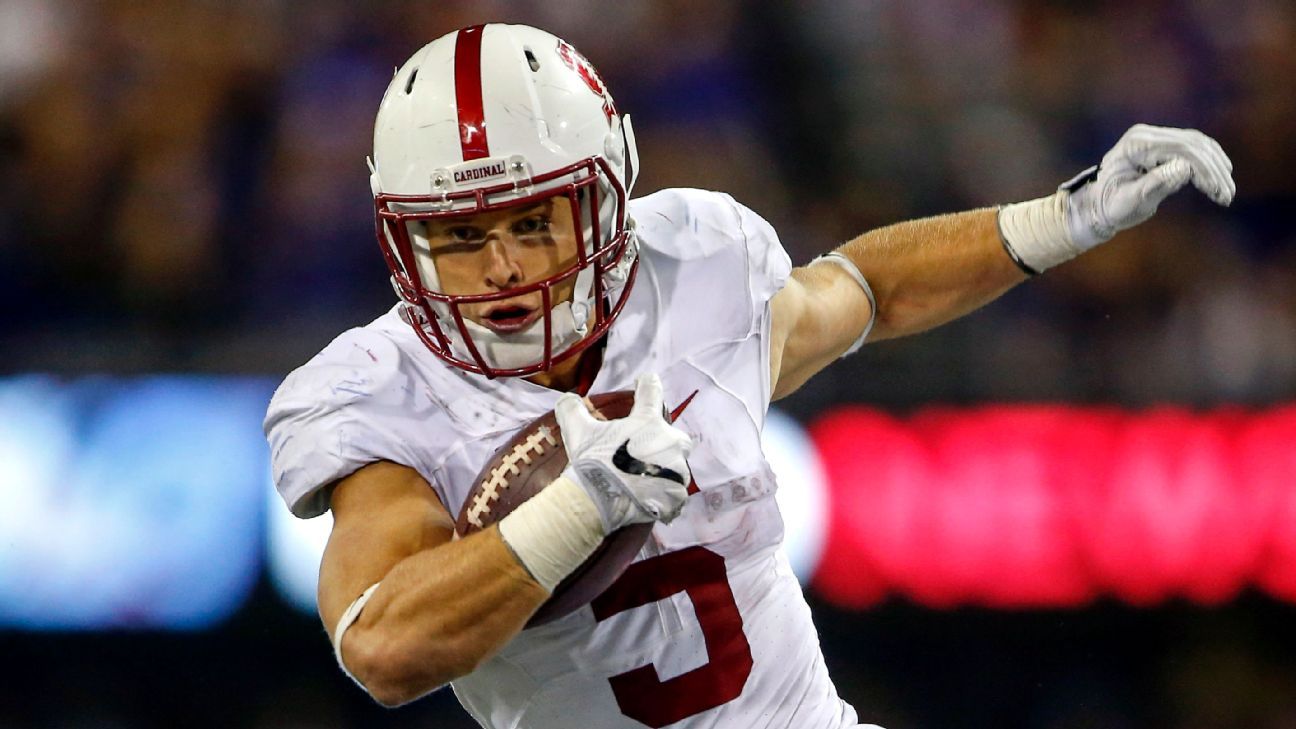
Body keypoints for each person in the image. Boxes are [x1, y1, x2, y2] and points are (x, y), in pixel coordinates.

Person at [263, 23, 1235, 729]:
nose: (505, 268)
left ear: (606, 202)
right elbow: (384, 649)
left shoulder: (694, 260)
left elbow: (865, 291)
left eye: (533, 221)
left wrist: (1068, 219)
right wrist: (577, 511)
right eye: (463, 235)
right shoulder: (374, 389)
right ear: (405, 239)